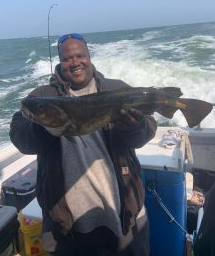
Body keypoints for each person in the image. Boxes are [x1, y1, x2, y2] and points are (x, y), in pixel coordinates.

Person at [9, 33, 157, 256]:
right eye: (68, 58)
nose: (75, 62)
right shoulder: (42, 97)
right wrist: (45, 124)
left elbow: (147, 131)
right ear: (60, 62)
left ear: (89, 57)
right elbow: (20, 137)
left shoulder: (115, 89)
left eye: (80, 55)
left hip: (125, 215)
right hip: (67, 226)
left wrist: (134, 127)